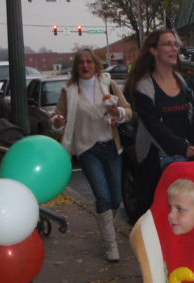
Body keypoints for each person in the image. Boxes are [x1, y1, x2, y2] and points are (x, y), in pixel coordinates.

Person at [52, 48, 132, 262]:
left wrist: (118, 113)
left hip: (112, 148)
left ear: (96, 65)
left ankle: (106, 225)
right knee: (103, 196)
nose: (85, 66)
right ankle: (110, 245)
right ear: (76, 67)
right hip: (87, 150)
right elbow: (57, 117)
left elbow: (129, 111)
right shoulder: (69, 91)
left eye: (89, 62)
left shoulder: (109, 85)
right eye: (81, 62)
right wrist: (58, 122)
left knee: (116, 197)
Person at [124, 29, 194, 219]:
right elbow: (153, 127)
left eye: (176, 44)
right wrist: (181, 146)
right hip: (156, 159)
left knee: (185, 216)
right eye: (167, 44)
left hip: (184, 157)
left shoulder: (183, 82)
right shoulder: (144, 86)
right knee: (159, 215)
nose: (174, 48)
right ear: (153, 50)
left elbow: (188, 120)